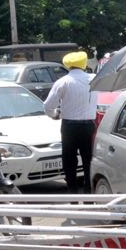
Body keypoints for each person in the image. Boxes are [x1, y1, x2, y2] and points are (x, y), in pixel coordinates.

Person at [43, 51, 98, 194]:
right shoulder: (94, 79)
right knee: (88, 160)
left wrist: (55, 115)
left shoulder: (63, 82)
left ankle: (72, 194)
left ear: (67, 66)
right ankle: (88, 194)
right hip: (89, 125)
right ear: (84, 64)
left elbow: (48, 106)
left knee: (69, 162)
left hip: (69, 126)